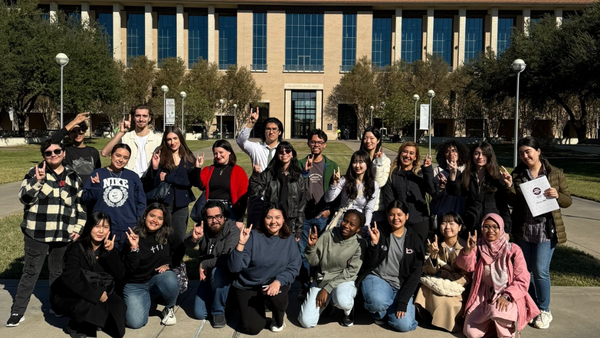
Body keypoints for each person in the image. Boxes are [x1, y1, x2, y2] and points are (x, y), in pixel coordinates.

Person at [7, 140, 86, 327]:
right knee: (30, 272)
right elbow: (24, 198)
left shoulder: (74, 177)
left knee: (57, 273)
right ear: (44, 156)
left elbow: (80, 206)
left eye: (57, 151)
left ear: (64, 153)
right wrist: (38, 181)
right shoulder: (34, 173)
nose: (53, 155)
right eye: (48, 153)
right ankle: (18, 310)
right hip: (37, 233)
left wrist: (78, 228)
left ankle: (56, 306)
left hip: (62, 235)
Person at [508, 136, 572, 330]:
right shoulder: (518, 174)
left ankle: (544, 309)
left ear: (538, 151)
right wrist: (509, 185)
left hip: (546, 231)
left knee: (540, 271)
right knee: (524, 271)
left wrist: (557, 195)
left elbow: (568, 201)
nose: (525, 156)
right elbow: (513, 202)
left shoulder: (555, 173)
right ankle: (530, 305)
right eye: (521, 153)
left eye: (528, 151)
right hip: (524, 230)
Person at [457, 213, 539, 338]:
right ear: (481, 228)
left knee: (498, 311)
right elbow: (466, 266)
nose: (490, 231)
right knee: (471, 333)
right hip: (483, 295)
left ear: (501, 228)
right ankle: (492, 327)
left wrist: (507, 296)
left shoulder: (513, 250)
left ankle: (507, 333)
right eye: (486, 227)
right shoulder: (478, 246)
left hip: (507, 294)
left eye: (495, 227)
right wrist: (467, 250)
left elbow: (522, 279)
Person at [228, 203, 301, 335]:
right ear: (263, 219)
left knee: (278, 299)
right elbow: (234, 268)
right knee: (253, 328)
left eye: (278, 217)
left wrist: (279, 281)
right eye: (269, 217)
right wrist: (241, 244)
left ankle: (278, 320)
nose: (274, 222)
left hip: (273, 282)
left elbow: (294, 267)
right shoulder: (253, 237)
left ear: (284, 219)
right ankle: (256, 307)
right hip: (248, 285)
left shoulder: (289, 239)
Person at [50, 212, 126, 338]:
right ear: (89, 227)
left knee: (118, 311)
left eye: (105, 227)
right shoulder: (76, 248)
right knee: (86, 305)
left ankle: (93, 319)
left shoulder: (108, 248)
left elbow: (120, 275)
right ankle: (74, 325)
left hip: (102, 290)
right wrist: (96, 294)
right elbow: (71, 277)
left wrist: (111, 253)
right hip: (72, 293)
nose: (101, 231)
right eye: (97, 226)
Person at [357, 200, 424, 332]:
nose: (396, 218)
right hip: (379, 279)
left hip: (400, 285)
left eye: (399, 214)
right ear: (387, 216)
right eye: (392, 215)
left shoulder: (415, 240)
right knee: (377, 302)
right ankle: (379, 312)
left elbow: (415, 274)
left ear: (407, 216)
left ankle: (390, 308)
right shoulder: (379, 232)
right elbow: (369, 263)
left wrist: (403, 302)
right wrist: (374, 245)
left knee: (404, 326)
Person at [298, 210, 366, 328]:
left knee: (343, 300)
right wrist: (312, 247)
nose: (346, 225)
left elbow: (352, 271)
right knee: (306, 322)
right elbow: (314, 261)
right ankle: (328, 305)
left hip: (343, 280)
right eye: (345, 221)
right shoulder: (328, 235)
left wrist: (327, 288)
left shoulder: (359, 243)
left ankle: (347, 313)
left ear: (358, 229)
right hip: (323, 279)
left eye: (352, 224)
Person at [122, 203, 185, 329]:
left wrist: (170, 264)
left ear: (164, 221)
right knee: (135, 323)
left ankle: (169, 307)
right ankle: (146, 299)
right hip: (135, 283)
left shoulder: (168, 234)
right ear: (145, 216)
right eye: (152, 216)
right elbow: (130, 268)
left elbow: (180, 249)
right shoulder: (133, 236)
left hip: (156, 278)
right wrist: (134, 248)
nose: (155, 220)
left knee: (170, 277)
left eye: (160, 218)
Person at [184, 201, 240, 328]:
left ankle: (218, 311)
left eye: (218, 216)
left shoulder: (232, 229)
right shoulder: (202, 227)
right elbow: (187, 244)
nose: (215, 220)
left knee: (218, 272)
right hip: (208, 276)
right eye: (210, 217)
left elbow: (227, 257)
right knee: (200, 313)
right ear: (205, 218)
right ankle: (225, 301)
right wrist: (194, 239)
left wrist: (205, 263)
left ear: (224, 216)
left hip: (226, 273)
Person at [297, 129, 339, 299]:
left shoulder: (332, 165)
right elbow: (295, 187)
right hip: (305, 214)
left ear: (324, 145)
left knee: (322, 251)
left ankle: (320, 284)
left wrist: (331, 209)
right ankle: (305, 285)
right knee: (304, 252)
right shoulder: (300, 163)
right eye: (313, 142)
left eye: (320, 142)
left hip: (323, 215)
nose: (316, 145)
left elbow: (337, 191)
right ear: (308, 143)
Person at [414, 212, 471, 333]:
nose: (447, 227)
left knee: (450, 304)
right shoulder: (435, 243)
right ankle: (430, 317)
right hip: (437, 282)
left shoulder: (466, 246)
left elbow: (467, 275)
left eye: (451, 223)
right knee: (427, 290)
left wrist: (447, 276)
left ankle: (443, 322)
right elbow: (428, 271)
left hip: (458, 286)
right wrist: (433, 256)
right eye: (444, 223)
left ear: (460, 227)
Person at [83, 143, 146, 250]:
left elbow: (141, 202)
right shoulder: (98, 174)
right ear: (111, 155)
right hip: (102, 227)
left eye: (125, 158)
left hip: (126, 226)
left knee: (124, 260)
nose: (121, 160)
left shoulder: (132, 177)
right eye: (118, 155)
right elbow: (85, 199)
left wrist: (138, 223)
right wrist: (95, 187)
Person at [144, 126, 202, 241]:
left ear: (180, 138)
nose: (172, 142)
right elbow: (152, 183)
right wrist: (155, 168)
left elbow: (191, 183)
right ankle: (162, 258)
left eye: (175, 138)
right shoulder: (160, 154)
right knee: (163, 234)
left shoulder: (188, 156)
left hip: (181, 203)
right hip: (164, 201)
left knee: (179, 236)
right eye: (169, 139)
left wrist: (197, 168)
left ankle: (176, 259)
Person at [446, 141, 513, 235]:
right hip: (472, 224)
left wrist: (506, 230)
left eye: (484, 154)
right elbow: (454, 192)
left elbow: (503, 204)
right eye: (476, 153)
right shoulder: (467, 174)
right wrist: (453, 174)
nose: (480, 157)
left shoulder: (497, 176)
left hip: (492, 226)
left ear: (489, 156)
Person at [249, 141, 307, 239]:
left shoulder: (298, 177)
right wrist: (255, 176)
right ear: (277, 155)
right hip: (272, 220)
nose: (284, 153)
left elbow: (301, 205)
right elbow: (254, 193)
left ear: (292, 154)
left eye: (287, 150)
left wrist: (299, 229)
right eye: (280, 151)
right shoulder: (269, 173)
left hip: (290, 222)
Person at [382, 142, 435, 241]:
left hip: (419, 220)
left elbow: (432, 190)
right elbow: (389, 201)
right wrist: (395, 217)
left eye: (411, 153)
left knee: (418, 252)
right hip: (398, 221)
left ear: (415, 157)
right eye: (405, 152)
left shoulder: (420, 174)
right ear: (400, 154)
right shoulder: (392, 175)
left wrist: (427, 170)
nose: (407, 155)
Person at [101, 105, 161, 177]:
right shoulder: (125, 138)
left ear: (149, 118)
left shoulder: (159, 140)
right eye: (138, 116)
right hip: (129, 180)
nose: (141, 119)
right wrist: (121, 133)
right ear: (133, 118)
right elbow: (104, 153)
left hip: (151, 181)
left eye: (144, 116)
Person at [196, 140, 248, 221]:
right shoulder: (209, 169)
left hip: (229, 210)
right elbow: (200, 185)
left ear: (229, 152)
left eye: (221, 152)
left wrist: (240, 219)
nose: (218, 156)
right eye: (215, 153)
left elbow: (243, 197)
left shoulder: (238, 171)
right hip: (210, 209)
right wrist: (197, 168)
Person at [325, 150, 379, 226]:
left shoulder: (373, 185)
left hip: (359, 220)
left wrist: (366, 226)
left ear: (367, 164)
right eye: (354, 162)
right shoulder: (344, 180)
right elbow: (328, 199)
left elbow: (369, 209)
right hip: (343, 218)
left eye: (361, 162)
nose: (357, 165)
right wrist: (334, 184)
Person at [50, 112, 101, 185]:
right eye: (73, 131)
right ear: (68, 134)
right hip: (71, 190)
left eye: (80, 130)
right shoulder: (65, 150)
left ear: (84, 131)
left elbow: (97, 172)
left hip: (89, 189)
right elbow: (52, 142)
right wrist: (74, 122)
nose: (77, 134)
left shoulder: (93, 151)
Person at [359, 127, 391, 223]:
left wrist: (378, 162)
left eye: (372, 138)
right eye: (365, 138)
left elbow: (380, 183)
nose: (368, 141)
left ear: (378, 140)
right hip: (360, 206)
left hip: (376, 208)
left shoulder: (385, 160)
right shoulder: (359, 158)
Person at [236, 108, 283, 173]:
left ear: (279, 132)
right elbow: (240, 141)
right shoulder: (256, 148)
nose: (271, 132)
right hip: (260, 182)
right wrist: (251, 123)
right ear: (264, 131)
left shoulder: (284, 150)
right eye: (268, 129)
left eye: (274, 129)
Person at [431, 140, 469, 217]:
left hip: (461, 212)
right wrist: (441, 187)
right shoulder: (438, 171)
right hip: (443, 211)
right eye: (447, 152)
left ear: (460, 153)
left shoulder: (466, 170)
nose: (451, 154)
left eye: (454, 151)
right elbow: (433, 195)